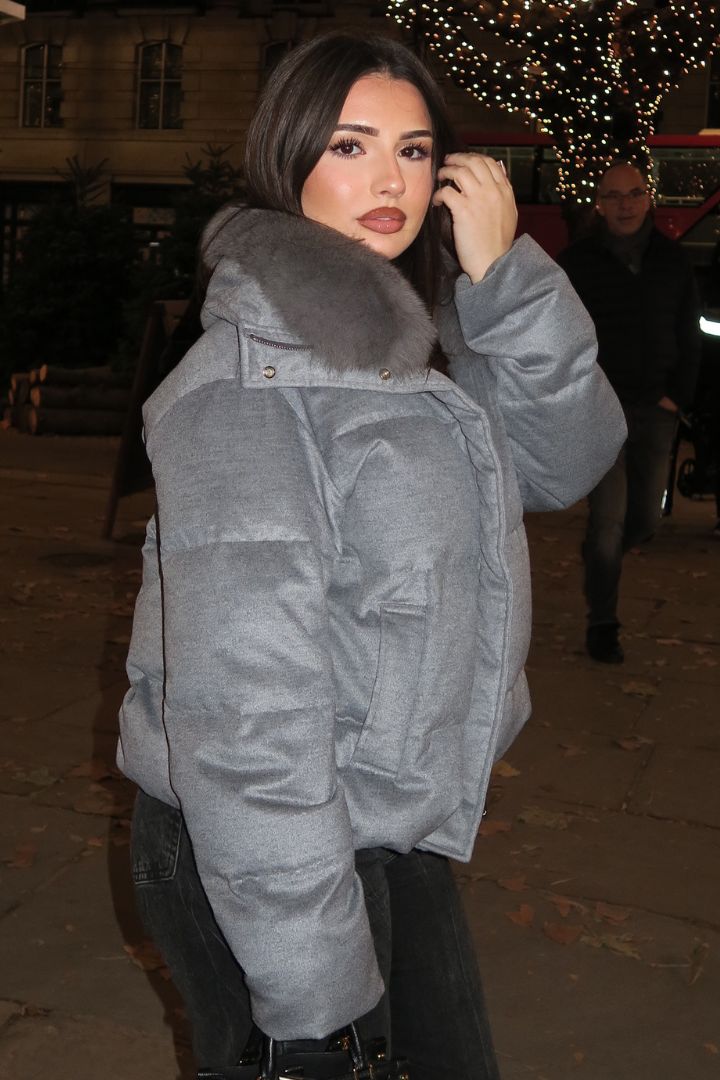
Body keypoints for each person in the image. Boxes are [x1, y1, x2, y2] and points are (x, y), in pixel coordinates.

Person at [116, 31, 625, 1079]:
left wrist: (506, 284)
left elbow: (567, 460)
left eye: (413, 148)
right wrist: (312, 993)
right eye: (351, 146)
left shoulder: (412, 353)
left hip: (383, 823)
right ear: (288, 156)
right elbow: (250, 717)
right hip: (269, 849)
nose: (388, 179)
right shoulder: (246, 388)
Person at [558, 161, 701, 664]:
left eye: (634, 193)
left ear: (648, 198)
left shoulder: (672, 260)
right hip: (601, 412)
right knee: (609, 521)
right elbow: (558, 336)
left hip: (657, 410)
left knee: (644, 520)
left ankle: (602, 560)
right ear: (599, 203)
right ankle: (603, 623)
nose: (625, 204)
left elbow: (689, 332)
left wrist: (677, 396)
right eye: (613, 195)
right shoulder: (578, 262)